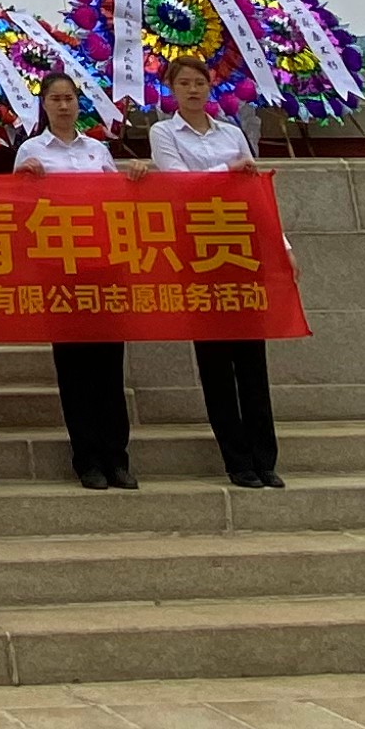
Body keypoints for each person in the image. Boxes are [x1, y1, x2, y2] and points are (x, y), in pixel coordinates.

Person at [150, 51, 283, 489]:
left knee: (251, 359)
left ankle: (266, 457)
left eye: (199, 83)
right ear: (172, 89)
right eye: (184, 83)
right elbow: (180, 184)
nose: (193, 90)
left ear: (210, 87)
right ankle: (236, 459)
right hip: (199, 251)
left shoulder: (231, 133)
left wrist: (282, 246)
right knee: (215, 362)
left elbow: (256, 193)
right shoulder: (164, 133)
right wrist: (227, 171)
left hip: (241, 250)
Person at [16, 71, 147, 490]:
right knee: (74, 368)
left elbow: (117, 200)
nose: (63, 105)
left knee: (109, 366)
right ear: (44, 105)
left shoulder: (97, 150)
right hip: (61, 268)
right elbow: (20, 209)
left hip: (104, 267)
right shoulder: (31, 151)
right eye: (55, 98)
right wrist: (26, 183)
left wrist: (135, 177)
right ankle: (86, 458)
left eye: (69, 97)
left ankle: (117, 457)